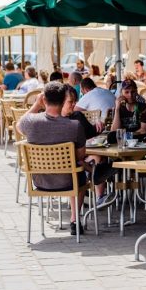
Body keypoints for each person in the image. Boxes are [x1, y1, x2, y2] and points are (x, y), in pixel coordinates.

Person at [17, 83, 88, 235]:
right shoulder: (75, 126)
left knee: (75, 169)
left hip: (40, 182)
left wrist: (36, 104)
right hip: (68, 182)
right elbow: (80, 156)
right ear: (64, 100)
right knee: (78, 169)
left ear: (44, 99)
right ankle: (74, 219)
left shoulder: (31, 122)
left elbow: (18, 125)